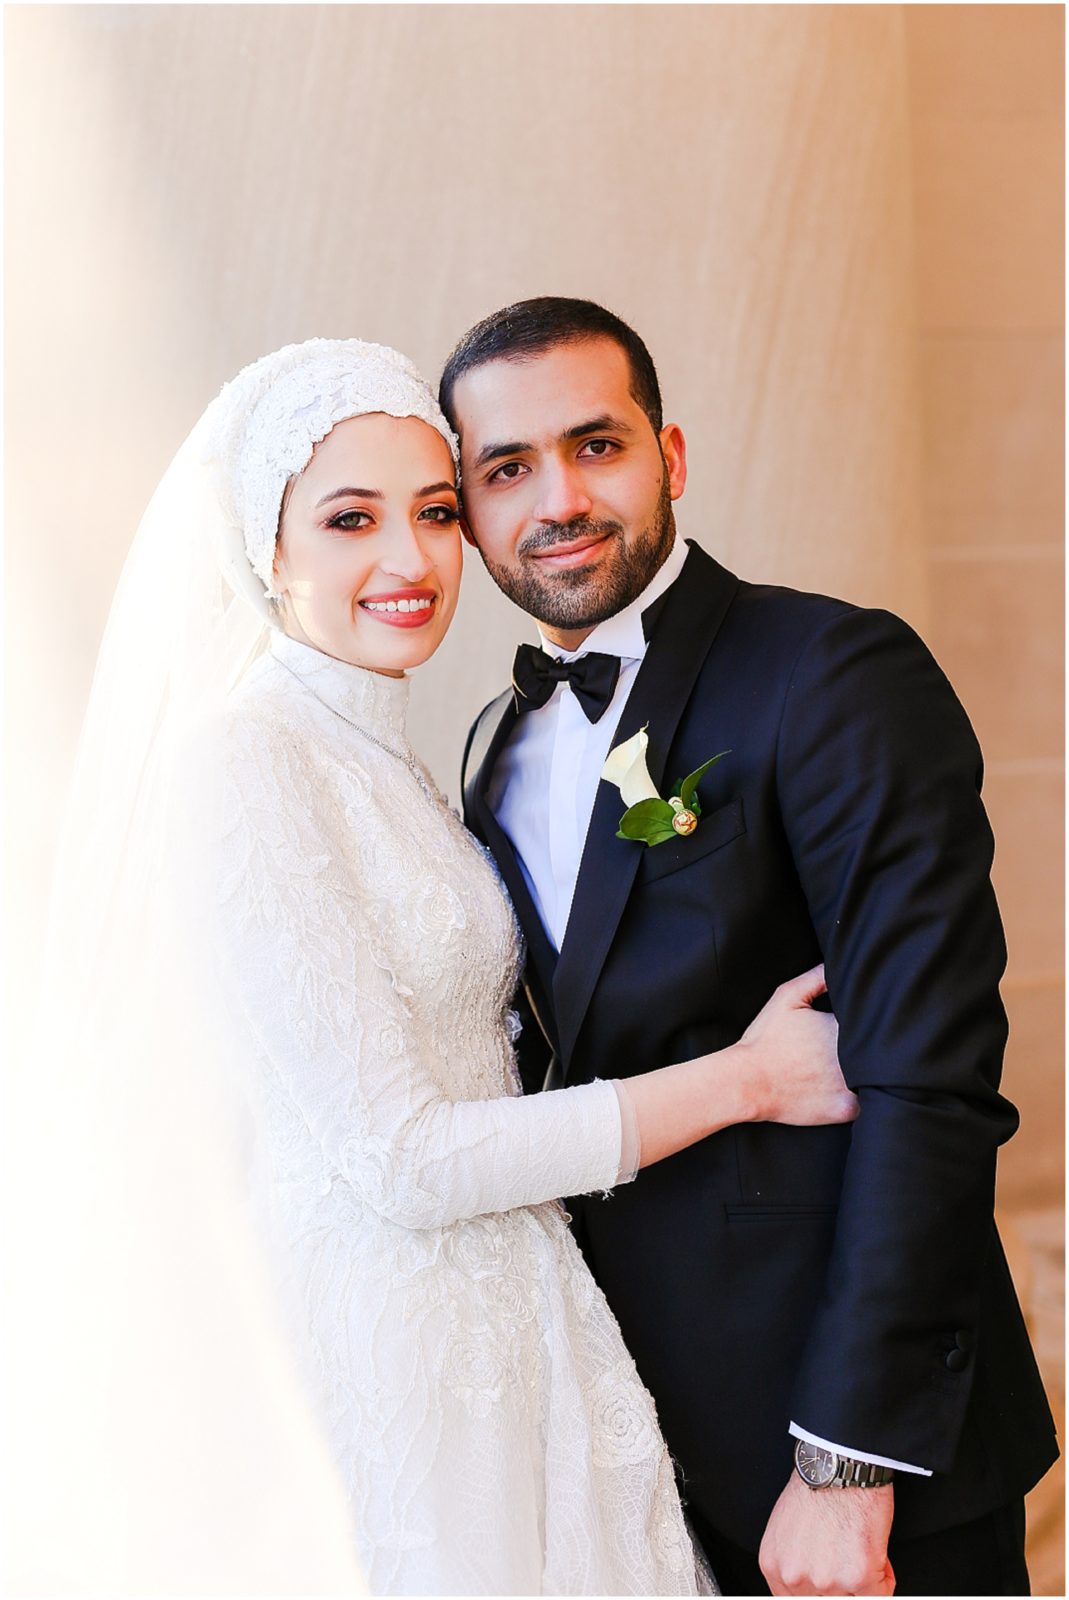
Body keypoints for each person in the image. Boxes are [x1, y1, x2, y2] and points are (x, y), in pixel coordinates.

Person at [43, 337, 860, 1597]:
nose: (409, 560)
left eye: (433, 512)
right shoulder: (246, 762)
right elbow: (401, 1155)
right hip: (406, 1366)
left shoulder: (399, 755)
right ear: (264, 548)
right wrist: (742, 1081)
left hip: (519, 1324)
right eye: (348, 519)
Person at [445, 297, 1059, 1598]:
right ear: (469, 508)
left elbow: (928, 1080)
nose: (557, 496)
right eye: (507, 470)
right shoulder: (498, 745)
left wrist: (847, 1462)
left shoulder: (831, 671)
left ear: (669, 457)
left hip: (846, 1451)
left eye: (594, 445)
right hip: (626, 1456)